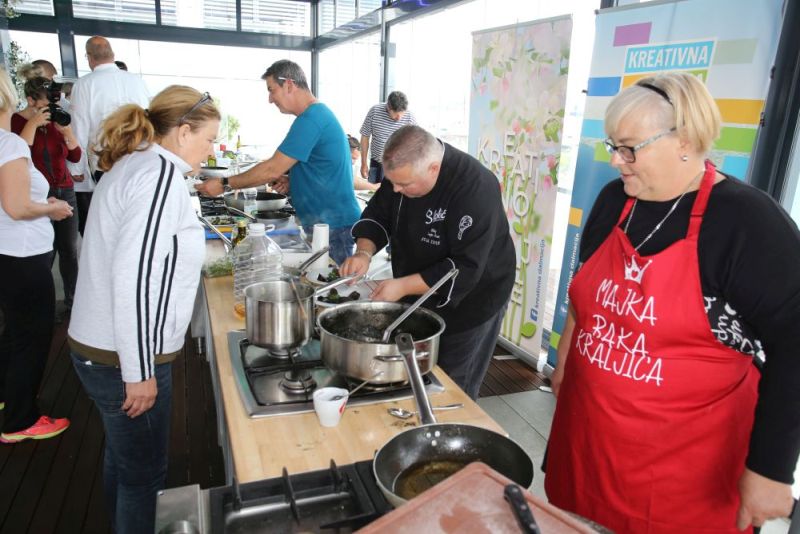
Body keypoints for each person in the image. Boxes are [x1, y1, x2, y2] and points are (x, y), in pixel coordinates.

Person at [545, 73, 799, 533]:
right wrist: (564, 363)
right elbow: (583, 298)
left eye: (629, 148)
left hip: (686, 468)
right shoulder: (614, 200)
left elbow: (794, 347)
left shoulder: (745, 221)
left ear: (684, 141)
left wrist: (771, 467)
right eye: (612, 146)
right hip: (589, 439)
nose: (616, 161)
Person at [67, 86, 218, 534]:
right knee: (145, 475)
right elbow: (134, 279)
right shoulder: (159, 177)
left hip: (102, 348)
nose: (211, 151)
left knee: (124, 459)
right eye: (209, 139)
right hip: (123, 358)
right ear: (184, 131)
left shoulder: (138, 164)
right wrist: (139, 372)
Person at [340, 125, 514, 399]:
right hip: (418, 286)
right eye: (392, 182)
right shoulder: (403, 173)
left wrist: (402, 286)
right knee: (416, 370)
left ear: (434, 168)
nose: (395, 190)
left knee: (452, 383)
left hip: (473, 299)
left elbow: (465, 267)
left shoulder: (475, 187)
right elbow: (378, 213)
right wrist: (364, 253)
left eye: (404, 185)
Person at [195, 59, 360, 265]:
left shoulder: (312, 119)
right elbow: (320, 168)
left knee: (332, 281)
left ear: (289, 84)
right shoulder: (314, 116)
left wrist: (224, 184)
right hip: (326, 223)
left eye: (271, 90)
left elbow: (272, 168)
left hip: (334, 225)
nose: (270, 99)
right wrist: (295, 183)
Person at [0, 66, 73, 444]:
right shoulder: (9, 144)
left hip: (6, 252)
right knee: (32, 336)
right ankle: (19, 421)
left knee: (14, 330)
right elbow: (16, 206)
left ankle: (6, 396)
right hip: (24, 252)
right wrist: (51, 208)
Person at [12, 73, 82, 312]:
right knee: (45, 251)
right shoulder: (15, 122)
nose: (51, 107)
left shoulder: (57, 120)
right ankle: (43, 306)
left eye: (53, 102)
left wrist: (67, 132)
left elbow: (75, 156)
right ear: (31, 100)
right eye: (45, 103)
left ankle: (73, 303)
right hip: (37, 194)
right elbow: (18, 155)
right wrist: (32, 124)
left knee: (69, 250)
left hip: (65, 188)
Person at [68, 36, 150, 236]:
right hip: (140, 157)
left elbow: (79, 128)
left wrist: (76, 167)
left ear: (89, 57)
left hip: (106, 162)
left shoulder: (84, 84)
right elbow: (149, 120)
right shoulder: (136, 81)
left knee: (112, 216)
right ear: (112, 54)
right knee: (138, 213)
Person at [359, 90, 416, 184]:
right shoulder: (375, 111)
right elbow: (365, 136)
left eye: (402, 113)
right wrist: (363, 163)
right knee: (374, 190)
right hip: (376, 164)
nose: (399, 117)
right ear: (388, 107)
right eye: (396, 113)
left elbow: (415, 143)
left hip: (399, 167)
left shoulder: (409, 116)